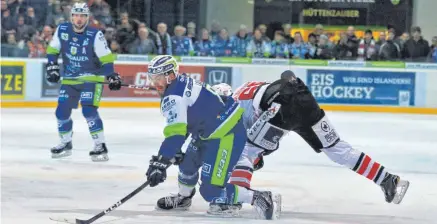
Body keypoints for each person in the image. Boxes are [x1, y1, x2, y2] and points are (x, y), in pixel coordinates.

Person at [211, 70, 410, 205]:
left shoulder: (231, 109)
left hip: (279, 107)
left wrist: (254, 159)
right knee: (336, 149)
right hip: (301, 95)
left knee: (245, 150)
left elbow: (255, 146)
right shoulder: (245, 87)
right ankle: (386, 179)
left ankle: (237, 195)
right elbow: (285, 79)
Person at [144, 55, 281, 220]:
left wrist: (161, 161)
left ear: (171, 75)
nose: (154, 84)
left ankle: (260, 198)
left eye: (158, 78)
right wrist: (172, 152)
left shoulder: (174, 97)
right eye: (152, 78)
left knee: (210, 191)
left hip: (226, 135)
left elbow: (176, 133)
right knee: (187, 164)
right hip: (208, 131)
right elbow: (187, 119)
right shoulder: (181, 82)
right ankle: (183, 198)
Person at [45, 2, 122, 162]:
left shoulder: (95, 34)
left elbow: (106, 58)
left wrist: (111, 75)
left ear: (87, 18)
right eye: (76, 15)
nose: (79, 19)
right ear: (71, 16)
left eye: (83, 16)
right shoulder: (62, 29)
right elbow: (52, 50)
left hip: (92, 79)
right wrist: (52, 66)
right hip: (70, 79)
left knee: (88, 111)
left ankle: (100, 145)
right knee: (61, 112)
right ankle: (65, 143)